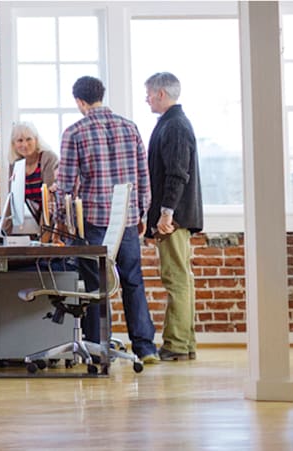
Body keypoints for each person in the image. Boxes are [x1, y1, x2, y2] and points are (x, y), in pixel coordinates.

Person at [54, 76, 159, 364]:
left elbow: (64, 184)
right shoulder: (130, 127)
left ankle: (98, 348)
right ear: (101, 95)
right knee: (132, 280)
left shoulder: (75, 132)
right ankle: (145, 347)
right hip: (124, 219)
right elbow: (143, 176)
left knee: (95, 284)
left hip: (93, 220)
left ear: (79, 101)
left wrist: (59, 221)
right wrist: (140, 213)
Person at [143, 72, 202, 362]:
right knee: (181, 278)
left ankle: (177, 344)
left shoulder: (175, 126)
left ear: (161, 94)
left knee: (175, 278)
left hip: (174, 218)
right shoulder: (173, 123)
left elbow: (177, 174)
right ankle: (183, 343)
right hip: (176, 215)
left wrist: (166, 214)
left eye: (149, 94)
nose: (147, 98)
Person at [10, 121, 60, 205]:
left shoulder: (49, 158)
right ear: (14, 144)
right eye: (20, 140)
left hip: (48, 215)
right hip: (29, 216)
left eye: (29, 139)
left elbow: (49, 198)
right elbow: (12, 199)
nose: (25, 144)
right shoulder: (15, 164)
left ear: (36, 140)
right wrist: (8, 218)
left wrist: (42, 218)